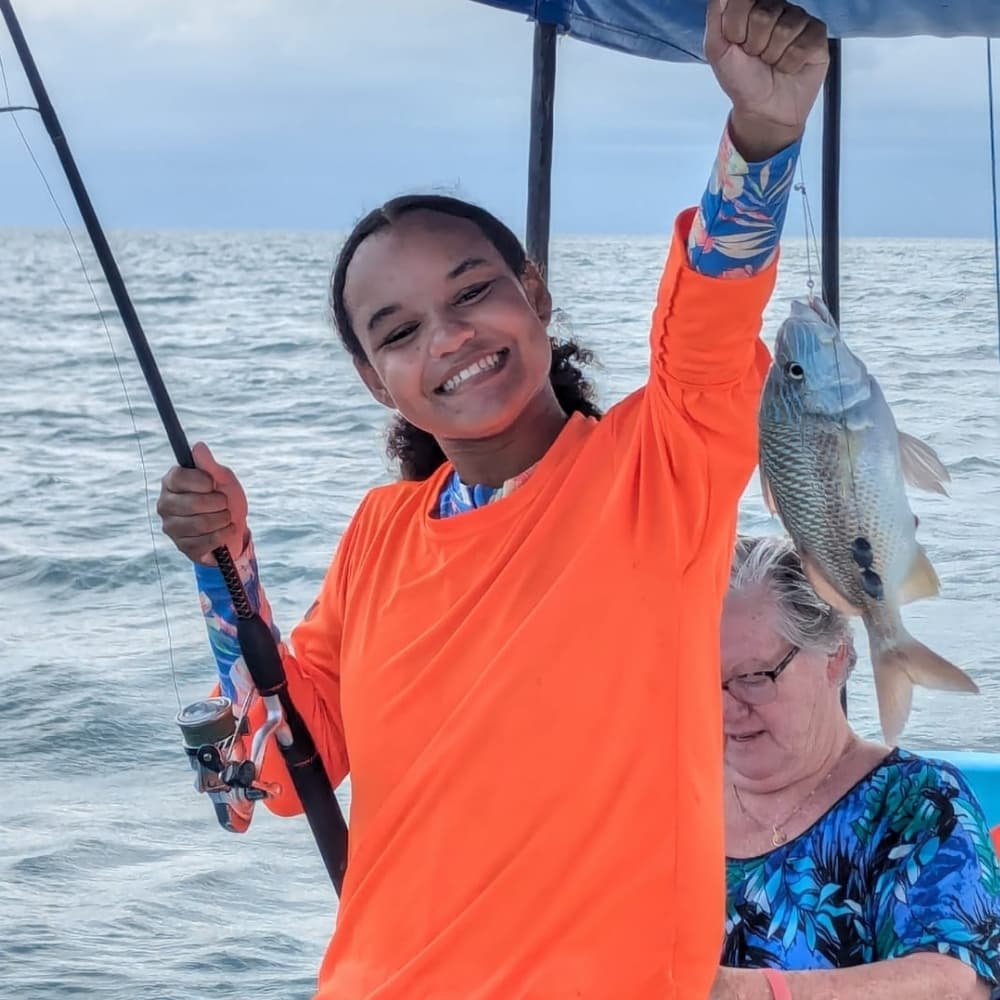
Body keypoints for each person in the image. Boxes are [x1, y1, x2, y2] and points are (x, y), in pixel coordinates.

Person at [157, 3, 830, 996]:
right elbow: (272, 771)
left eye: (472, 292)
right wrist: (227, 568)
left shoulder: (658, 466)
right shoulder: (380, 534)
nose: (449, 336)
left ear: (534, 294)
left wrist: (761, 138)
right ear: (372, 379)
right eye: (398, 330)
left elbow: (710, 315)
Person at [711, 535, 1000, 1000]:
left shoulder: (918, 802)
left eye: (752, 678)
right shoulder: (664, 802)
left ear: (835, 658)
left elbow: (958, 984)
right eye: (704, 679)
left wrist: (748, 992)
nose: (725, 709)